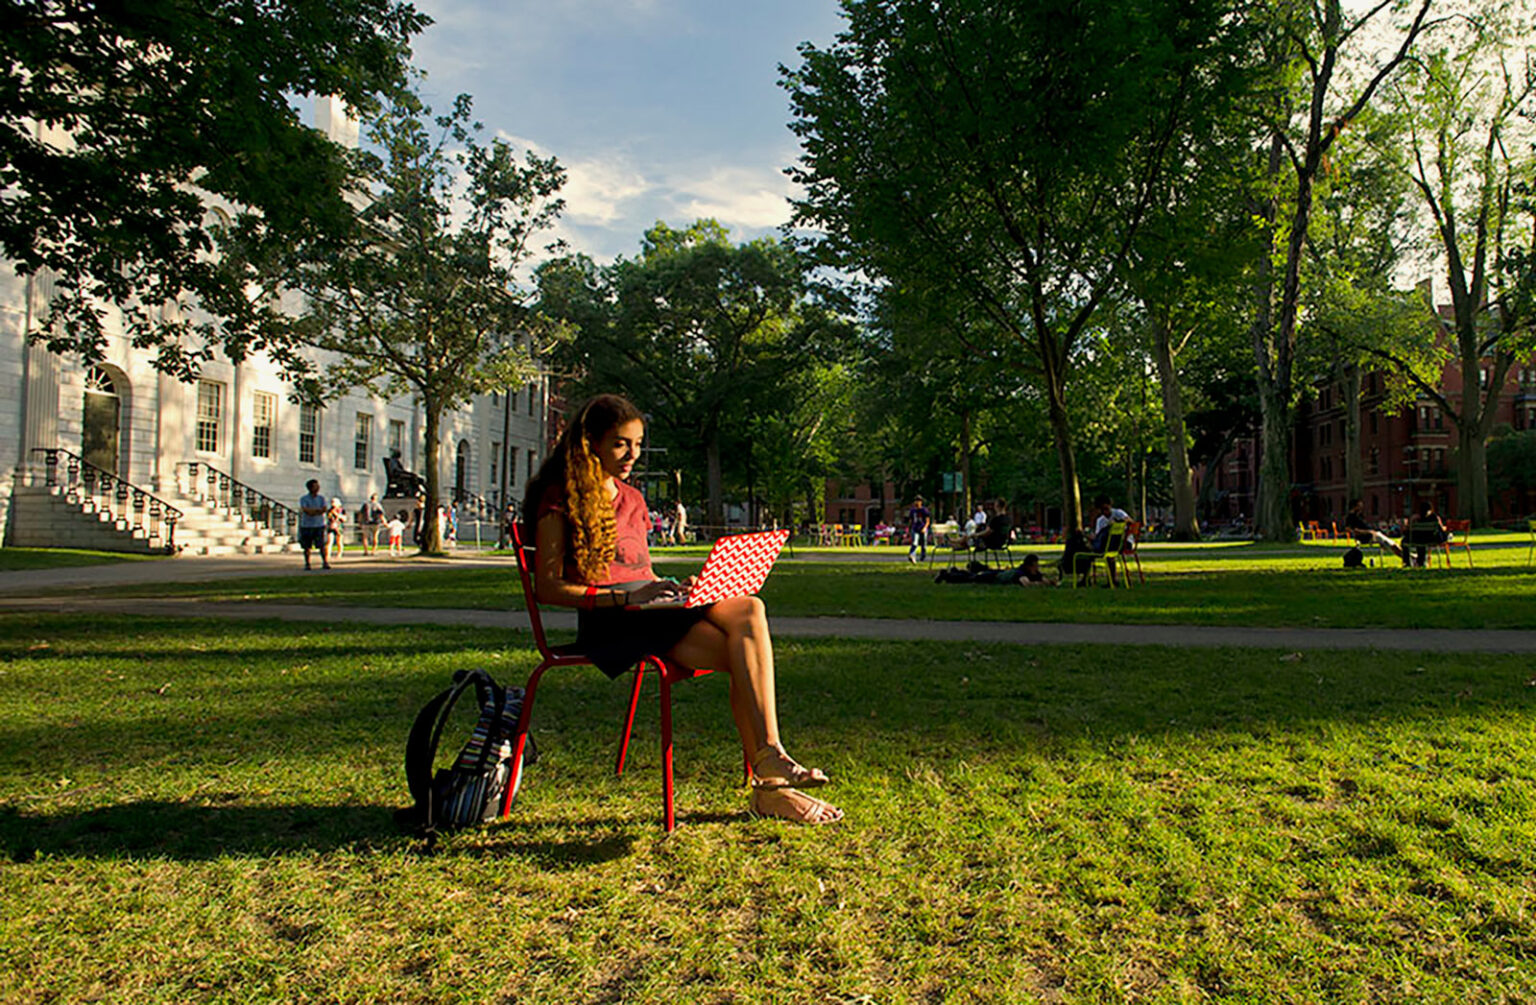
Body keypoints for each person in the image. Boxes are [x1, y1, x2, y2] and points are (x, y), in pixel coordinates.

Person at [524, 394, 840, 825]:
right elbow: (548, 588)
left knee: (748, 608)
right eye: (621, 444)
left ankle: (771, 766)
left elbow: (638, 568)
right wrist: (625, 599)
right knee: (743, 644)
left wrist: (671, 589)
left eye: (638, 444)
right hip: (609, 623)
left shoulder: (632, 499)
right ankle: (772, 780)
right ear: (590, 443)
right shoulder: (558, 498)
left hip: (653, 613)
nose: (633, 455)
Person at [1400, 499, 1447, 568]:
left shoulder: (1416, 519)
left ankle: (1407, 562)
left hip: (1418, 540)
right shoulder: (1434, 518)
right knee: (1422, 540)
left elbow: (1408, 530)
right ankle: (1421, 562)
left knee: (1408, 541)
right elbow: (1441, 529)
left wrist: (1410, 522)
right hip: (1431, 539)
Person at [298, 479, 330, 571]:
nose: (318, 488)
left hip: (319, 525)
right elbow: (306, 510)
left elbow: (324, 509)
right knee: (307, 546)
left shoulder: (321, 498)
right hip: (307, 525)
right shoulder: (304, 499)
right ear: (310, 488)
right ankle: (307, 563)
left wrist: (314, 511)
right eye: (316, 486)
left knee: (321, 545)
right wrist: (317, 511)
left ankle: (325, 562)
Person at [906, 495, 932, 563]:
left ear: (921, 502)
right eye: (916, 501)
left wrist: (924, 528)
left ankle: (922, 557)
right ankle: (912, 555)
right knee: (915, 542)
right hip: (915, 528)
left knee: (923, 544)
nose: (917, 503)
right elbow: (911, 521)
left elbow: (927, 521)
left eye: (918, 501)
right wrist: (908, 529)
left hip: (922, 528)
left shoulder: (924, 510)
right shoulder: (913, 511)